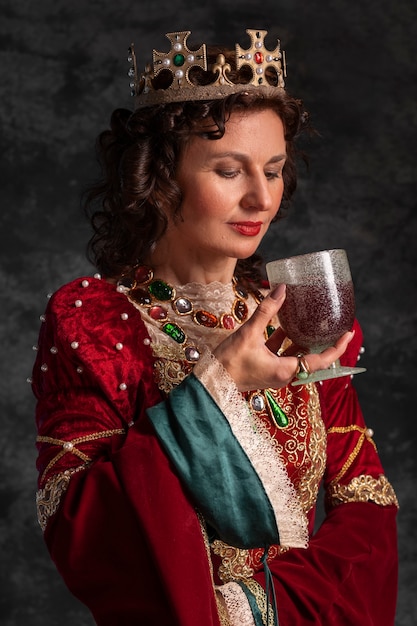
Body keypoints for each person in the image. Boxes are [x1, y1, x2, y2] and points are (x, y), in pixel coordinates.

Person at [32, 28, 398, 626]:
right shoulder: (96, 323)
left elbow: (366, 503)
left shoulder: (299, 315)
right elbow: (79, 528)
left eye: (274, 171)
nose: (260, 198)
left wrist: (273, 610)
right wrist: (215, 386)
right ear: (160, 177)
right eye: (230, 171)